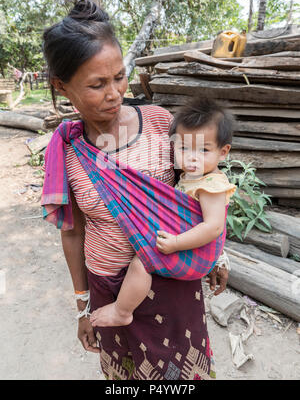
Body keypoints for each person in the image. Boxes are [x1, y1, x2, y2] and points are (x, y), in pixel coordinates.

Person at [41, 0, 229, 381]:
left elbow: (196, 194)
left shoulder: (162, 124)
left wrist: (219, 255)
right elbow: (73, 231)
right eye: (97, 84)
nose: (115, 93)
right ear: (61, 86)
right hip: (110, 288)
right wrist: (82, 307)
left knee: (182, 376)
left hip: (172, 276)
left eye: (119, 76)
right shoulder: (66, 148)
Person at [89, 98, 235, 328]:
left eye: (203, 150)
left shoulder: (211, 186)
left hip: (195, 250)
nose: (192, 157)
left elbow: (214, 226)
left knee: (141, 263)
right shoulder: (195, 176)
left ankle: (122, 311)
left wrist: (176, 242)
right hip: (190, 242)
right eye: (184, 148)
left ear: (223, 152)